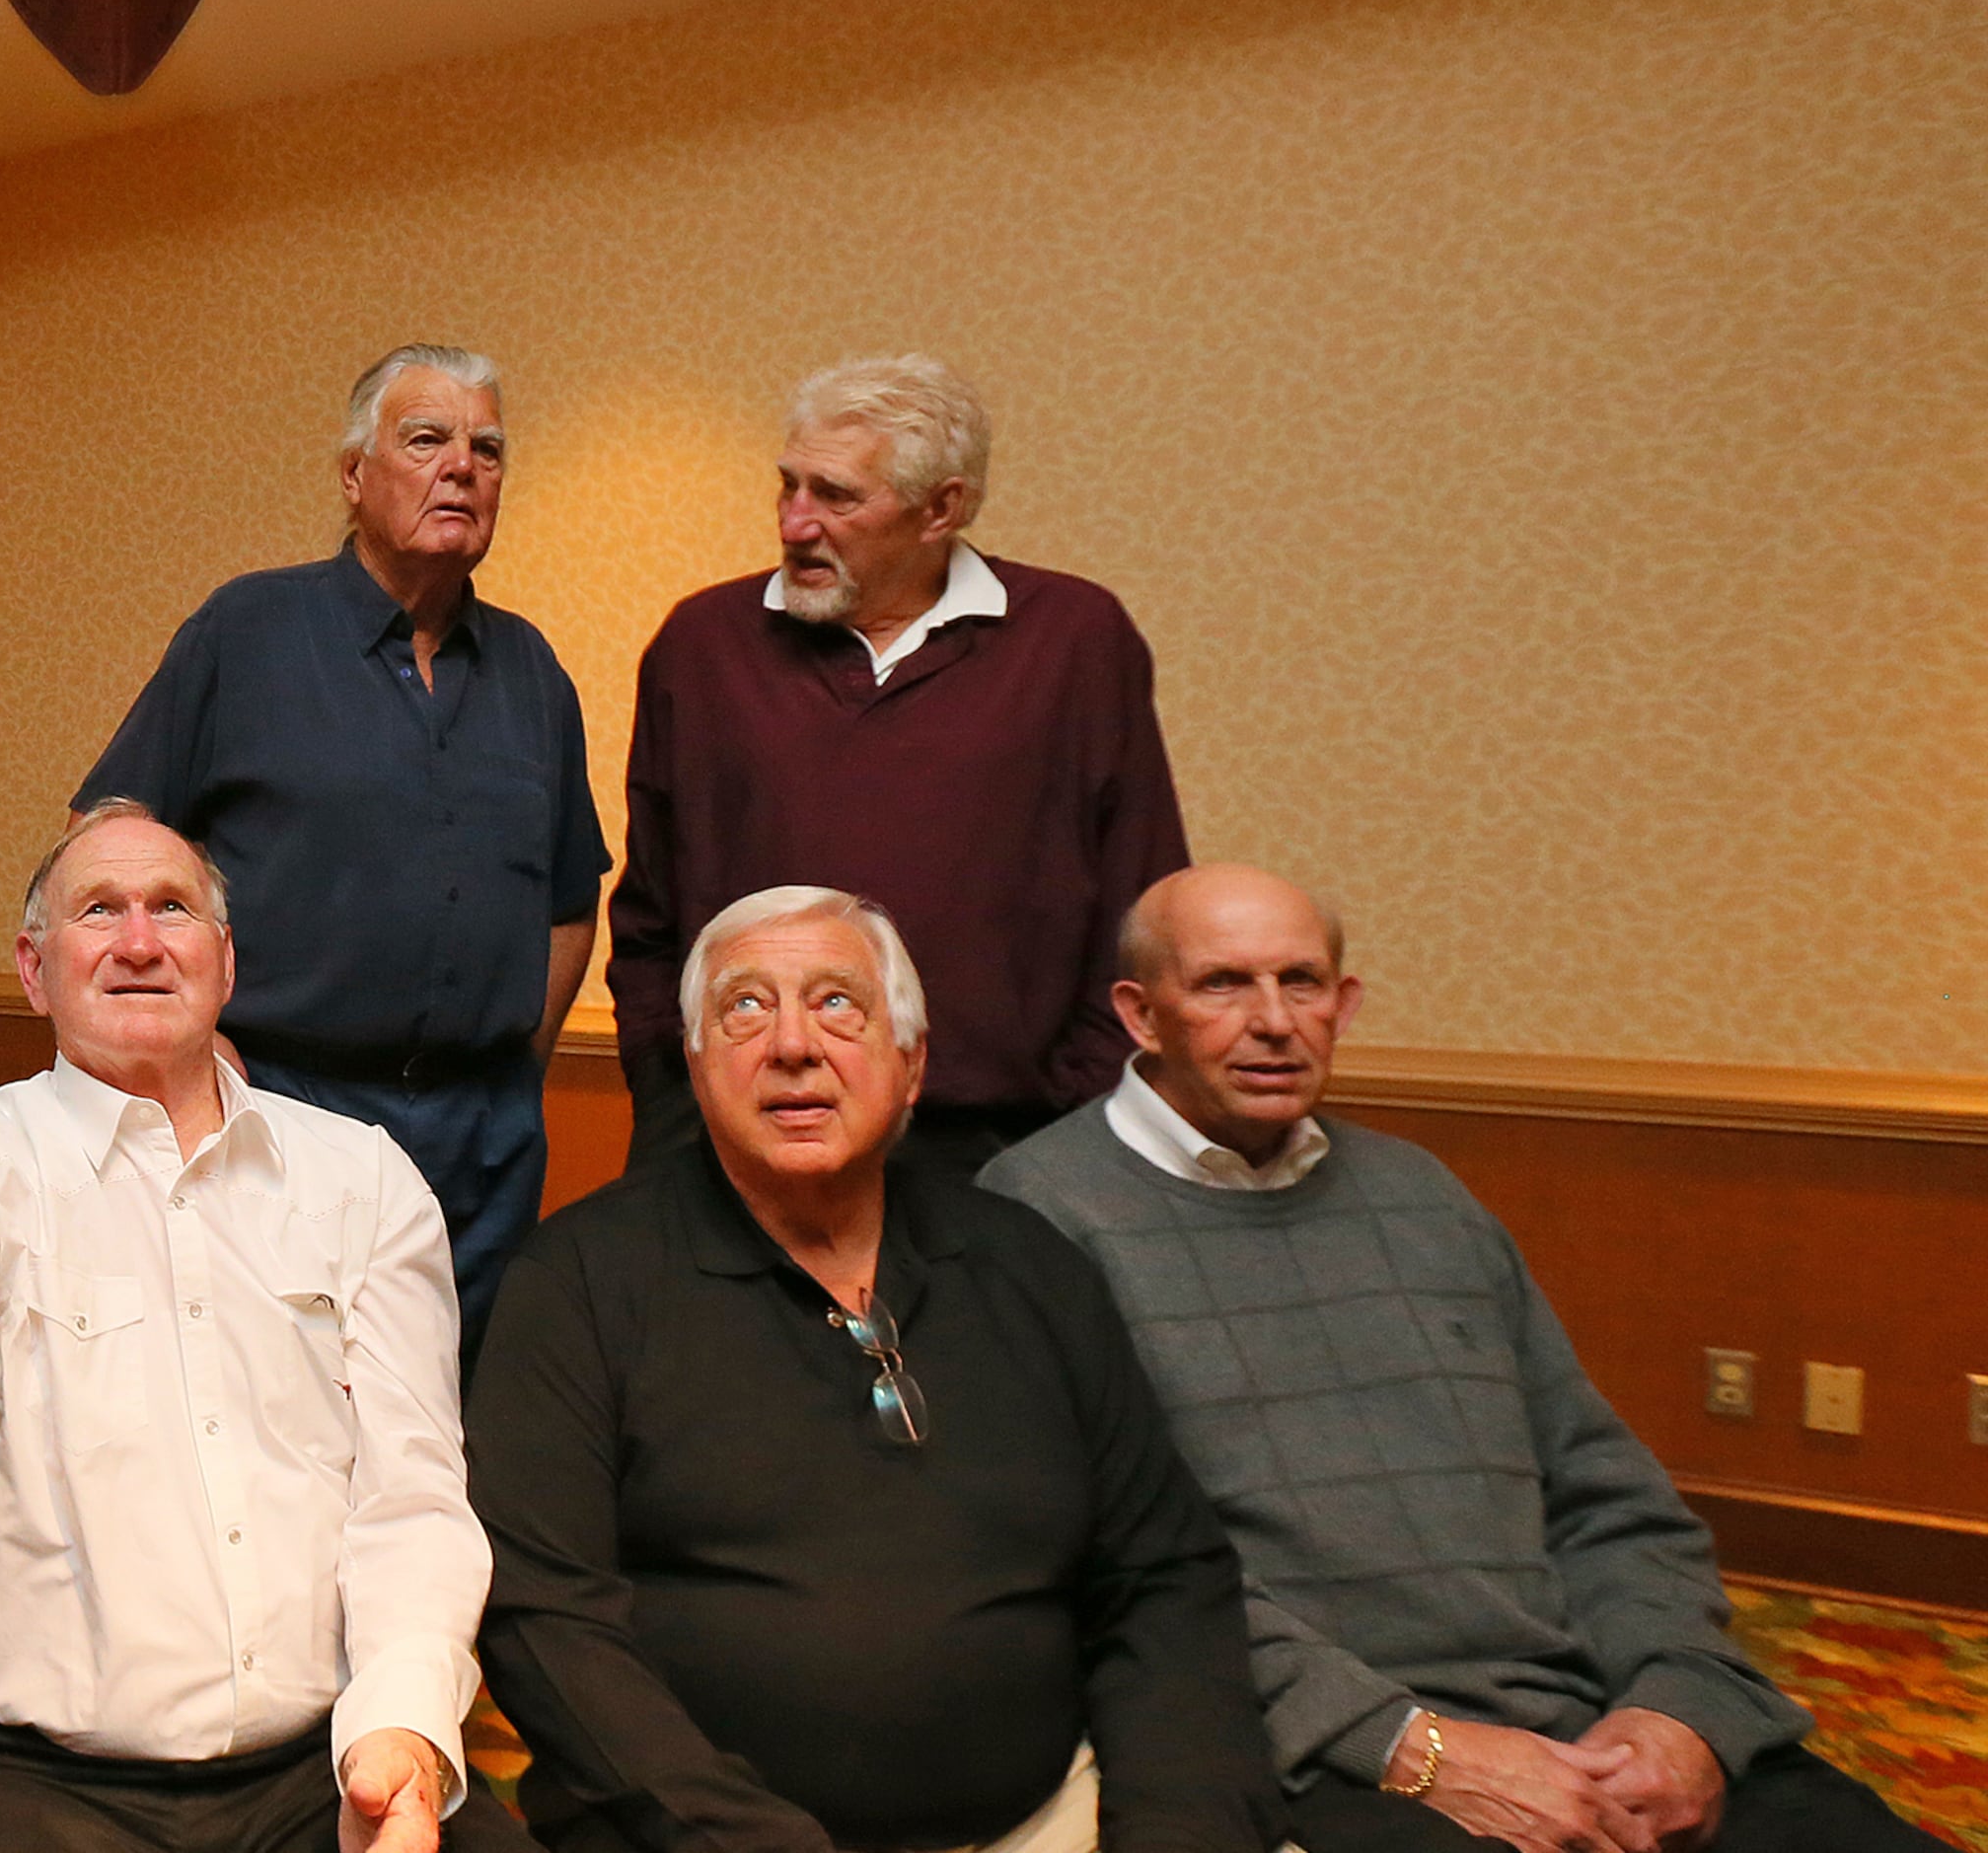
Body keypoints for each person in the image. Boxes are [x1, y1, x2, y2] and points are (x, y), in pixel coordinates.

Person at [984, 866, 1944, 1853]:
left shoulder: (1421, 1195)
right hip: (1332, 1751)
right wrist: (1418, 1749)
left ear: (1343, 1004)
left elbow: (1605, 1493)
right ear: (1141, 1015)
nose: (1274, 1021)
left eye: (1302, 982)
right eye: (1223, 984)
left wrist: (1676, 1709)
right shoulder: (1034, 1218)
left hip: (1590, 1717)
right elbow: (1115, 1575)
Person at [0, 767, 532, 1853]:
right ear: (33, 971)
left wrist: (400, 1735)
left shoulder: (363, 1180)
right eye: (99, 911)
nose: (141, 942)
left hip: (326, 1769)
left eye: (173, 908)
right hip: (31, 1790)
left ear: (226, 961)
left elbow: (413, 1500)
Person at [473, 885, 1279, 1853]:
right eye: (745, 1007)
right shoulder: (579, 1284)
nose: (793, 1045)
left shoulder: (1029, 1265)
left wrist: (1176, 1828)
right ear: (695, 1061)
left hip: (1053, 1820)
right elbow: (544, 1619)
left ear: (911, 1063)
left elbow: (1166, 1578)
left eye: (838, 1004)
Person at [77, 344, 609, 1347]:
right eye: (427, 439)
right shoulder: (248, 630)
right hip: (279, 1107)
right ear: (354, 474)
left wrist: (508, 1074)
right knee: (272, 1399)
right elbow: (107, 843)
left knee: (450, 1411)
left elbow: (570, 904)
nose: (462, 467)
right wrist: (189, 1044)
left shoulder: (533, 670)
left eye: (488, 448)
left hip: (484, 1145)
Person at [606, 355, 1187, 1179]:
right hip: (742, 1136)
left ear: (940, 508)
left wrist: (1075, 1119)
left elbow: (1145, 909)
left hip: (1005, 1147)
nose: (795, 522)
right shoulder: (702, 644)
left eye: (836, 496)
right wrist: (672, 1093)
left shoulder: (1075, 640)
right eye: (788, 486)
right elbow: (651, 910)